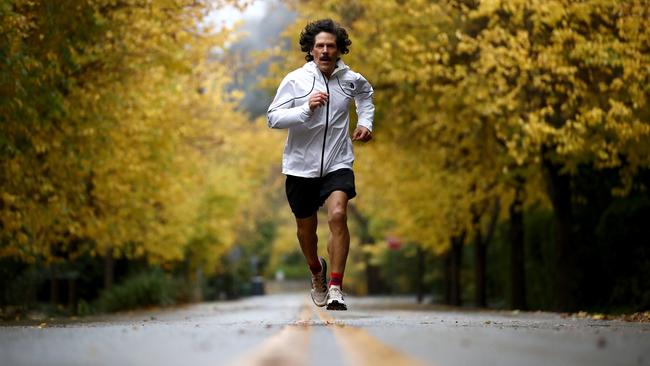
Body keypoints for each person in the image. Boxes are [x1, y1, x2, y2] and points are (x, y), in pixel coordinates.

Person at [267, 19, 374, 310]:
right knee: (307, 232)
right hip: (301, 167)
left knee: (338, 214)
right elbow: (273, 117)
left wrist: (365, 122)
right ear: (311, 50)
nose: (325, 51)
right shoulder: (294, 81)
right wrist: (305, 108)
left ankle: (336, 286)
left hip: (338, 161)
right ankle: (317, 272)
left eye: (330, 46)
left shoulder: (352, 79)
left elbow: (366, 95)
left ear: (339, 50)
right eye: (319, 46)